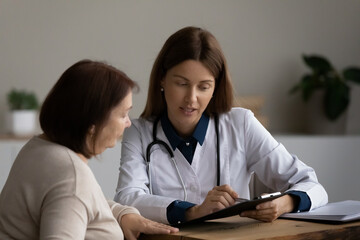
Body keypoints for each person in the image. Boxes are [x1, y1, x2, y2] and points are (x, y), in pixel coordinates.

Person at [114, 26, 328, 225]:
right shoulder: (139, 132)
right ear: (162, 79)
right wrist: (192, 212)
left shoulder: (241, 123)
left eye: (204, 87)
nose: (191, 98)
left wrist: (285, 203)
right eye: (182, 84)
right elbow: (127, 198)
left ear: (216, 87)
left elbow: (313, 186)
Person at [0, 60, 178, 239]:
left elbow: (69, 203)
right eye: (123, 114)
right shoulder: (70, 175)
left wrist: (121, 214)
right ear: (92, 124)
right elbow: (72, 194)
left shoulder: (39, 148)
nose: (128, 123)